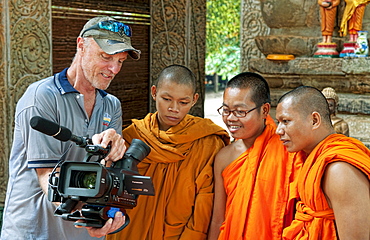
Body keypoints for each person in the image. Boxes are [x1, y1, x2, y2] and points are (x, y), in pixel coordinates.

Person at [1, 16, 141, 239]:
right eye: (105, 56)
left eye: (121, 61)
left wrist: (107, 213)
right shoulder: (41, 97)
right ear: (81, 45)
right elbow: (48, 178)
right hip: (35, 233)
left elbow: (104, 178)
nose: (114, 69)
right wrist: (87, 214)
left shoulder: (111, 105)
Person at [107, 64, 230, 240]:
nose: (174, 108)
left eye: (183, 102)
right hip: (131, 230)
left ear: (195, 99)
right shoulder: (133, 137)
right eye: (166, 99)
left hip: (180, 234)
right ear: (154, 92)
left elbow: (206, 202)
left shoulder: (207, 142)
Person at [208, 72, 304, 240]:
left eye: (240, 112)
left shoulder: (289, 149)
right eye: (226, 110)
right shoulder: (224, 157)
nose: (230, 118)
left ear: (264, 110)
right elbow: (218, 218)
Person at [275, 86, 370, 240]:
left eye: (286, 121)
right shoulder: (310, 158)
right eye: (278, 122)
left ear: (314, 120)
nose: (278, 130)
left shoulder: (340, 170)